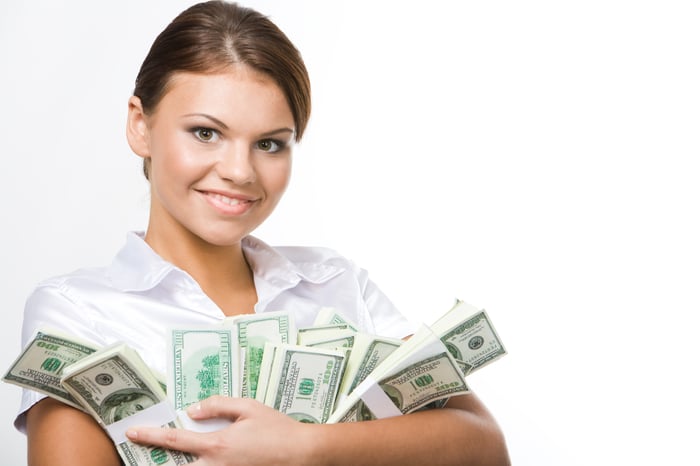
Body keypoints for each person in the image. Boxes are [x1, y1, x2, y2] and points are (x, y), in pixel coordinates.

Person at [16, 1, 510, 465]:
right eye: (206, 132)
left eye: (270, 144)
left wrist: (305, 447)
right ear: (141, 126)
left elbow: (483, 444)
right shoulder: (75, 311)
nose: (239, 171)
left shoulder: (335, 283)